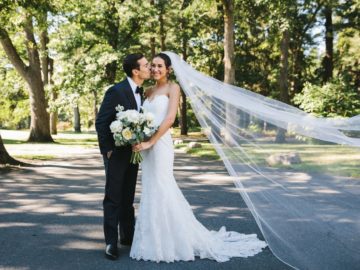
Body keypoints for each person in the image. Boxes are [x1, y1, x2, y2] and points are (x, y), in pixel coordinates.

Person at [130, 53, 267, 263]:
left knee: (163, 185)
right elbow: (141, 120)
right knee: (150, 187)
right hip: (147, 147)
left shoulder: (173, 88)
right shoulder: (147, 91)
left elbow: (169, 119)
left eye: (160, 66)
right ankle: (153, 240)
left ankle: (176, 240)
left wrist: (151, 141)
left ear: (169, 69)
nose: (155, 69)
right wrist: (137, 137)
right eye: (153, 65)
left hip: (160, 145)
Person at [95, 53, 150, 260]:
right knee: (113, 197)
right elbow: (101, 122)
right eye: (146, 65)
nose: (149, 68)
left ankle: (127, 235)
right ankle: (110, 242)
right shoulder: (116, 91)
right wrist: (107, 150)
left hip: (133, 153)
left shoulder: (142, 92)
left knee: (128, 196)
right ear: (136, 71)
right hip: (116, 153)